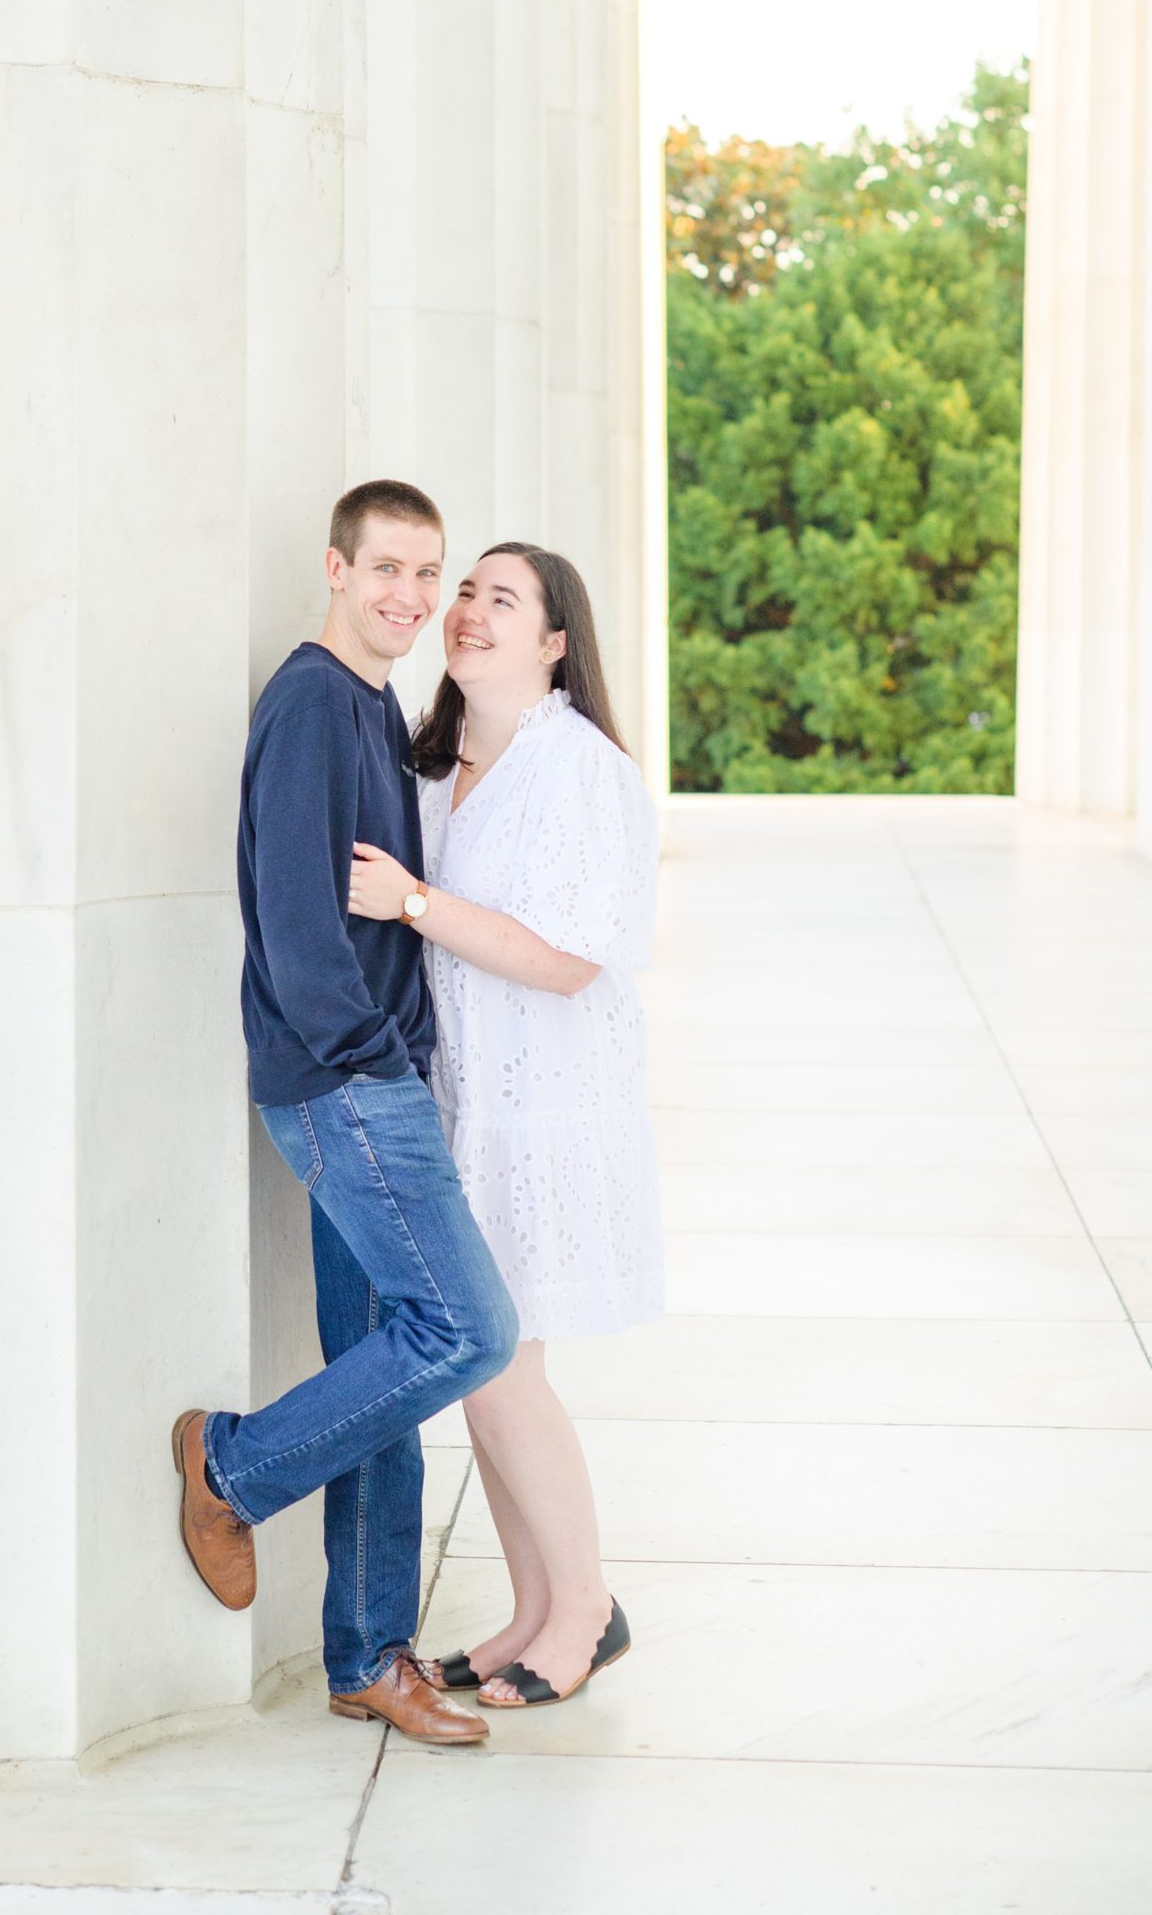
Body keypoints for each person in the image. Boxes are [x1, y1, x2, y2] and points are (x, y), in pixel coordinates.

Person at [173, 481, 519, 1749]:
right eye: (386, 568)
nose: (410, 597)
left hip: (376, 1076)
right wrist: (375, 1057)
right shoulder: (315, 701)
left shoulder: (372, 703)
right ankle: (230, 1466)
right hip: (346, 1084)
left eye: (427, 574)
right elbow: (295, 920)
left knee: (385, 1366)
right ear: (334, 564)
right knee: (467, 1329)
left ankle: (365, 1653)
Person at [346, 542, 662, 1709]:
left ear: (553, 643)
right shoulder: (438, 764)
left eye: (502, 598)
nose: (470, 611)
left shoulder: (576, 769)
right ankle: (532, 1611)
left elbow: (572, 959)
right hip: (464, 1105)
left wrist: (416, 902)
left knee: (504, 1363)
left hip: (548, 1108)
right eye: (464, 592)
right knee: (483, 1362)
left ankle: (583, 1605)